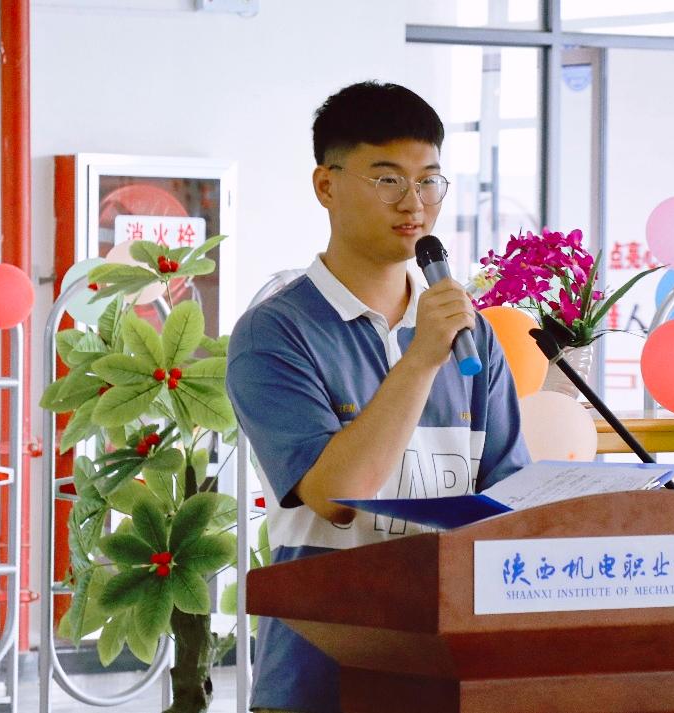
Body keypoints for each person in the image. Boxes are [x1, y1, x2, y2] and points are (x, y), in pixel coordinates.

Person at [226, 81, 531, 713]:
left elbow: (512, 503)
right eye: (388, 179)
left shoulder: (471, 335)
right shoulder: (276, 332)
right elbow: (336, 497)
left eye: (429, 181)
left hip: (451, 672)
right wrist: (420, 360)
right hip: (322, 679)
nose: (414, 203)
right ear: (326, 185)